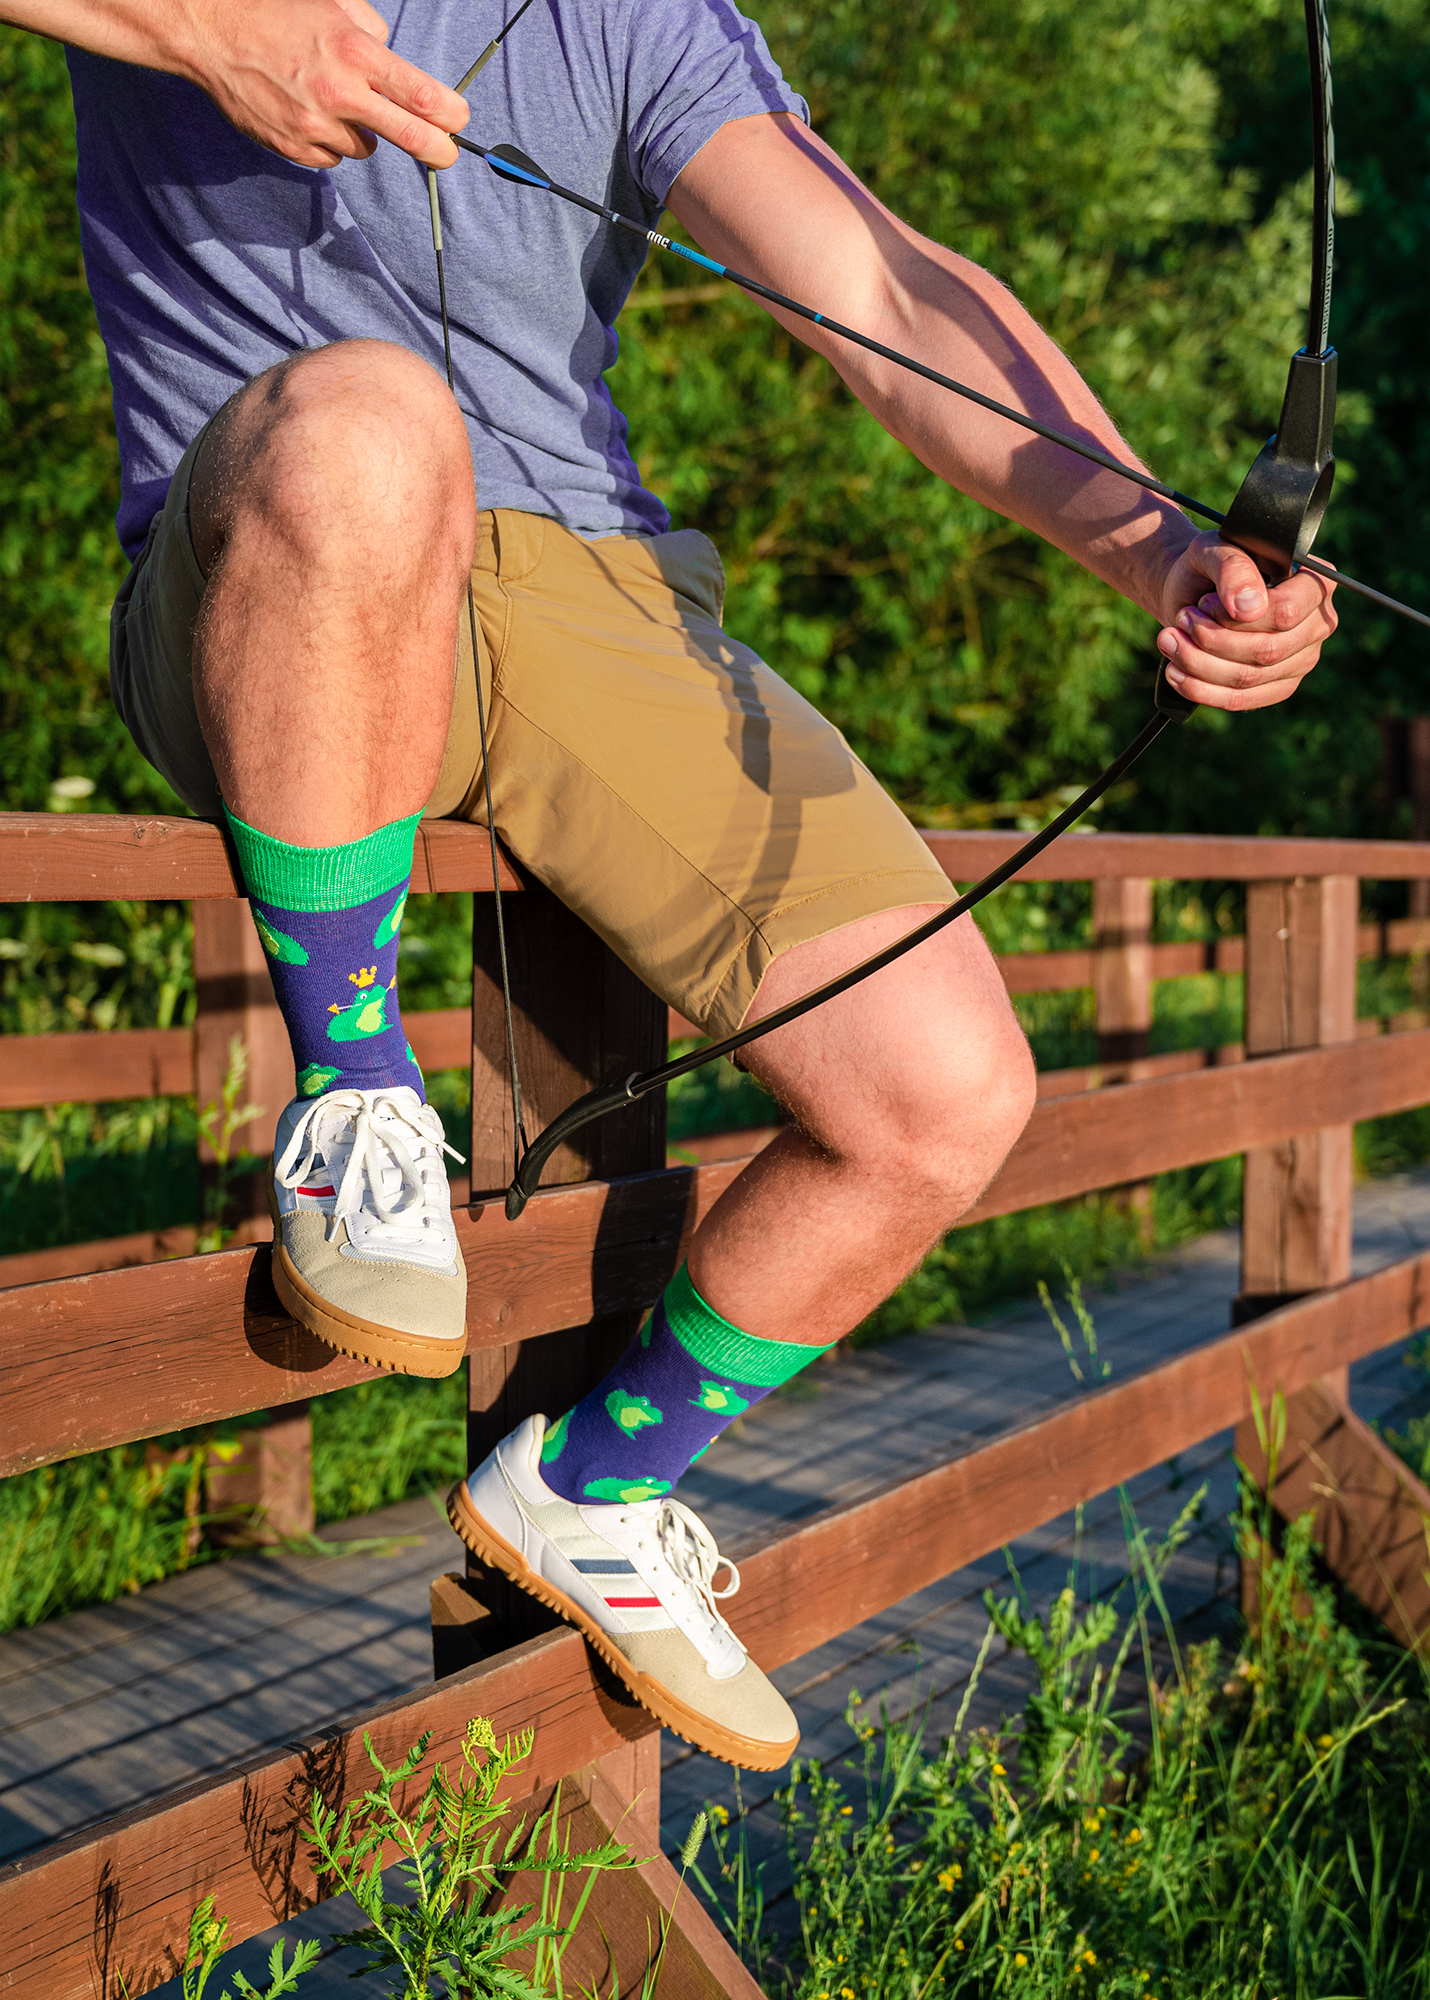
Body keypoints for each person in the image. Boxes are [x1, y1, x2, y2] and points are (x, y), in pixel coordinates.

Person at [9, 0, 1336, 1767]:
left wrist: (1166, 548)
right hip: (273, 565)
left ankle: (594, 1487)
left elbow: (886, 293)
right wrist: (201, 33)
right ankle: (356, 1095)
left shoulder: (636, 14)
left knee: (942, 1090)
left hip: (589, 587)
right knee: (374, 418)